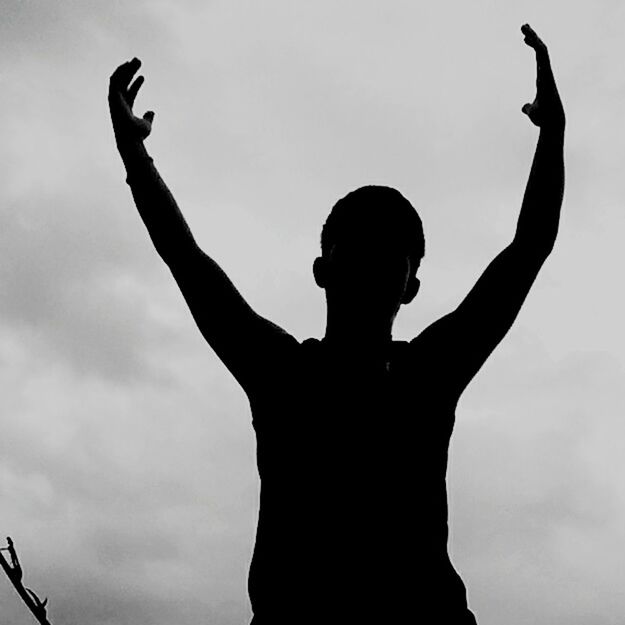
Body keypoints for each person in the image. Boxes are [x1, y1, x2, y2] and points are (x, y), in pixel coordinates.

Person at [108, 23, 565, 624]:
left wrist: (554, 136)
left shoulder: (393, 374)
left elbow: (528, 249)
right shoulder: (300, 372)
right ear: (323, 270)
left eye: (389, 249)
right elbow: (183, 255)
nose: (375, 259)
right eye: (362, 246)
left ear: (410, 285)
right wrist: (134, 156)